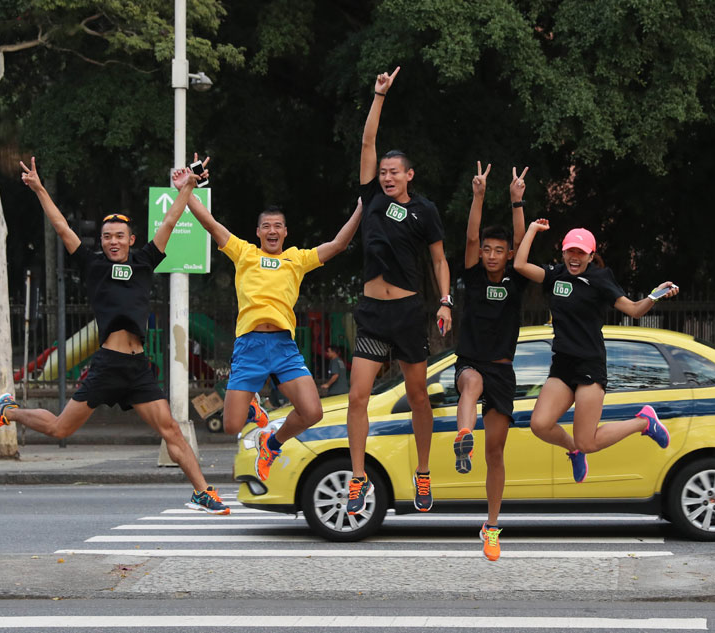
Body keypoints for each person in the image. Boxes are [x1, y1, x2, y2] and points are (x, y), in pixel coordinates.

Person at [0, 157, 230, 515]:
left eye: (119, 236)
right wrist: (39, 188)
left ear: (131, 240)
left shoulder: (144, 261)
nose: (113, 241)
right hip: (108, 364)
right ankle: (10, 411)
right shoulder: (93, 265)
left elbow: (171, 219)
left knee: (171, 428)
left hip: (138, 368)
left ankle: (203, 491)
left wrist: (189, 185)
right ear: (102, 241)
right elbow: (63, 228)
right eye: (107, 236)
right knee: (62, 429)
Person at [180, 156, 362, 482]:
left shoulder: (297, 259)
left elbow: (338, 244)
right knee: (233, 425)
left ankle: (272, 443)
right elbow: (210, 223)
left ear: (286, 231)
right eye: (266, 226)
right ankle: (253, 406)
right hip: (249, 346)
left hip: (282, 346)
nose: (272, 230)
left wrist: (363, 207)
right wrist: (187, 190)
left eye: (278, 225)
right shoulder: (245, 253)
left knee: (312, 411)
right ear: (258, 232)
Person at [346, 67, 452, 516]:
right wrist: (378, 96)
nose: (387, 177)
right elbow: (368, 142)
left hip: (409, 312)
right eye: (383, 172)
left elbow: (439, 260)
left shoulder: (424, 211)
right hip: (373, 312)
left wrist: (446, 300)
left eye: (395, 172)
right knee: (356, 396)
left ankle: (423, 472)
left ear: (410, 175)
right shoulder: (371, 197)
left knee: (418, 397)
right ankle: (357, 477)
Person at [513, 219, 678, 486]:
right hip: (562, 366)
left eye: (581, 252)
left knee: (588, 441)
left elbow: (634, 310)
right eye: (570, 251)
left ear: (591, 256)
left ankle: (644, 422)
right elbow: (520, 266)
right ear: (563, 252)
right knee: (539, 425)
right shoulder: (556, 275)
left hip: (589, 365)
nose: (575, 257)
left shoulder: (600, 280)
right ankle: (573, 450)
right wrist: (531, 229)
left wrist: (655, 296)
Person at [453, 162, 531, 561]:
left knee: (496, 453)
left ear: (509, 254)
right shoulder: (473, 275)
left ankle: (491, 526)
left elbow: (521, 242)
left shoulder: (516, 280)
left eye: (500, 250)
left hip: (502, 368)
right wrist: (479, 195)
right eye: (487, 249)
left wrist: (517, 201)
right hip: (472, 362)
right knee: (470, 384)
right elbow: (469, 235)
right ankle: (463, 436)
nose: (492, 255)